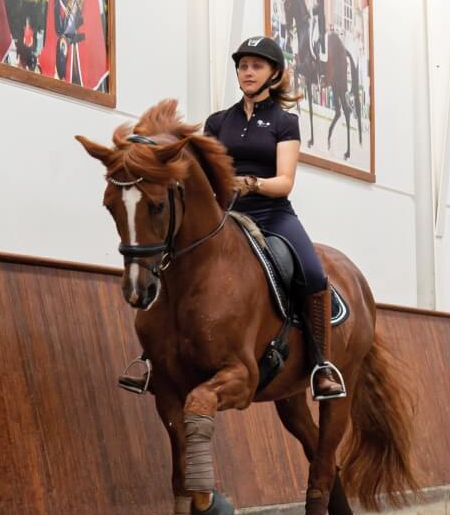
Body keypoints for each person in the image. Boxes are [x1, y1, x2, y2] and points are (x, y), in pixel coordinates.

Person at [130, 36, 346, 400]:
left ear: (273, 74)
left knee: (312, 272)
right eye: (243, 66)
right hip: (225, 213)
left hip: (272, 214)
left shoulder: (284, 122)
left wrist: (250, 183)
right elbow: (199, 172)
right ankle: (151, 356)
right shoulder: (218, 121)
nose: (247, 72)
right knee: (170, 258)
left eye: (256, 66)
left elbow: (285, 182)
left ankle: (322, 364)